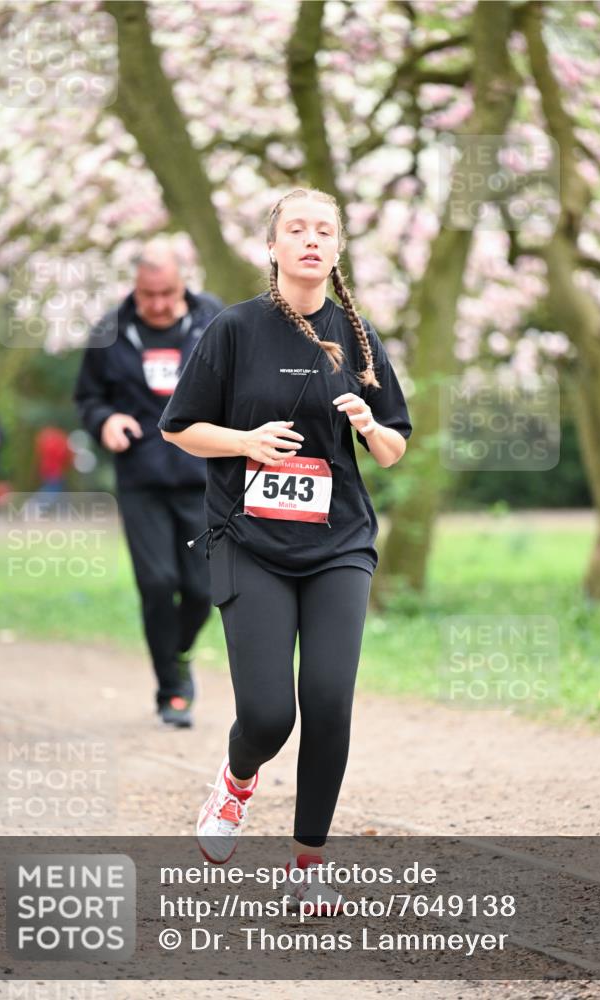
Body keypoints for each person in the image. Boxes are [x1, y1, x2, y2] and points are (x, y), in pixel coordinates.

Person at [159, 189, 411, 911]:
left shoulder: (360, 339)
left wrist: (368, 424)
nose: (309, 240)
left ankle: (309, 863)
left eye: (323, 231)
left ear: (336, 250)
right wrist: (245, 443)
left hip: (339, 544)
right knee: (270, 714)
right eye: (295, 229)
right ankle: (237, 780)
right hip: (249, 542)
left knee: (328, 700)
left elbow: (393, 450)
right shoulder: (233, 330)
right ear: (271, 247)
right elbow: (178, 428)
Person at [75, 239, 224, 727]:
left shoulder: (215, 323)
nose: (157, 305)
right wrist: (105, 421)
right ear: (135, 289)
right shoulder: (109, 331)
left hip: (204, 475)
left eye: (167, 293)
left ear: (183, 283)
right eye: (147, 295)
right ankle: (172, 690)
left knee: (203, 589)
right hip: (142, 478)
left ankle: (178, 651)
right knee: (157, 583)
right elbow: (88, 395)